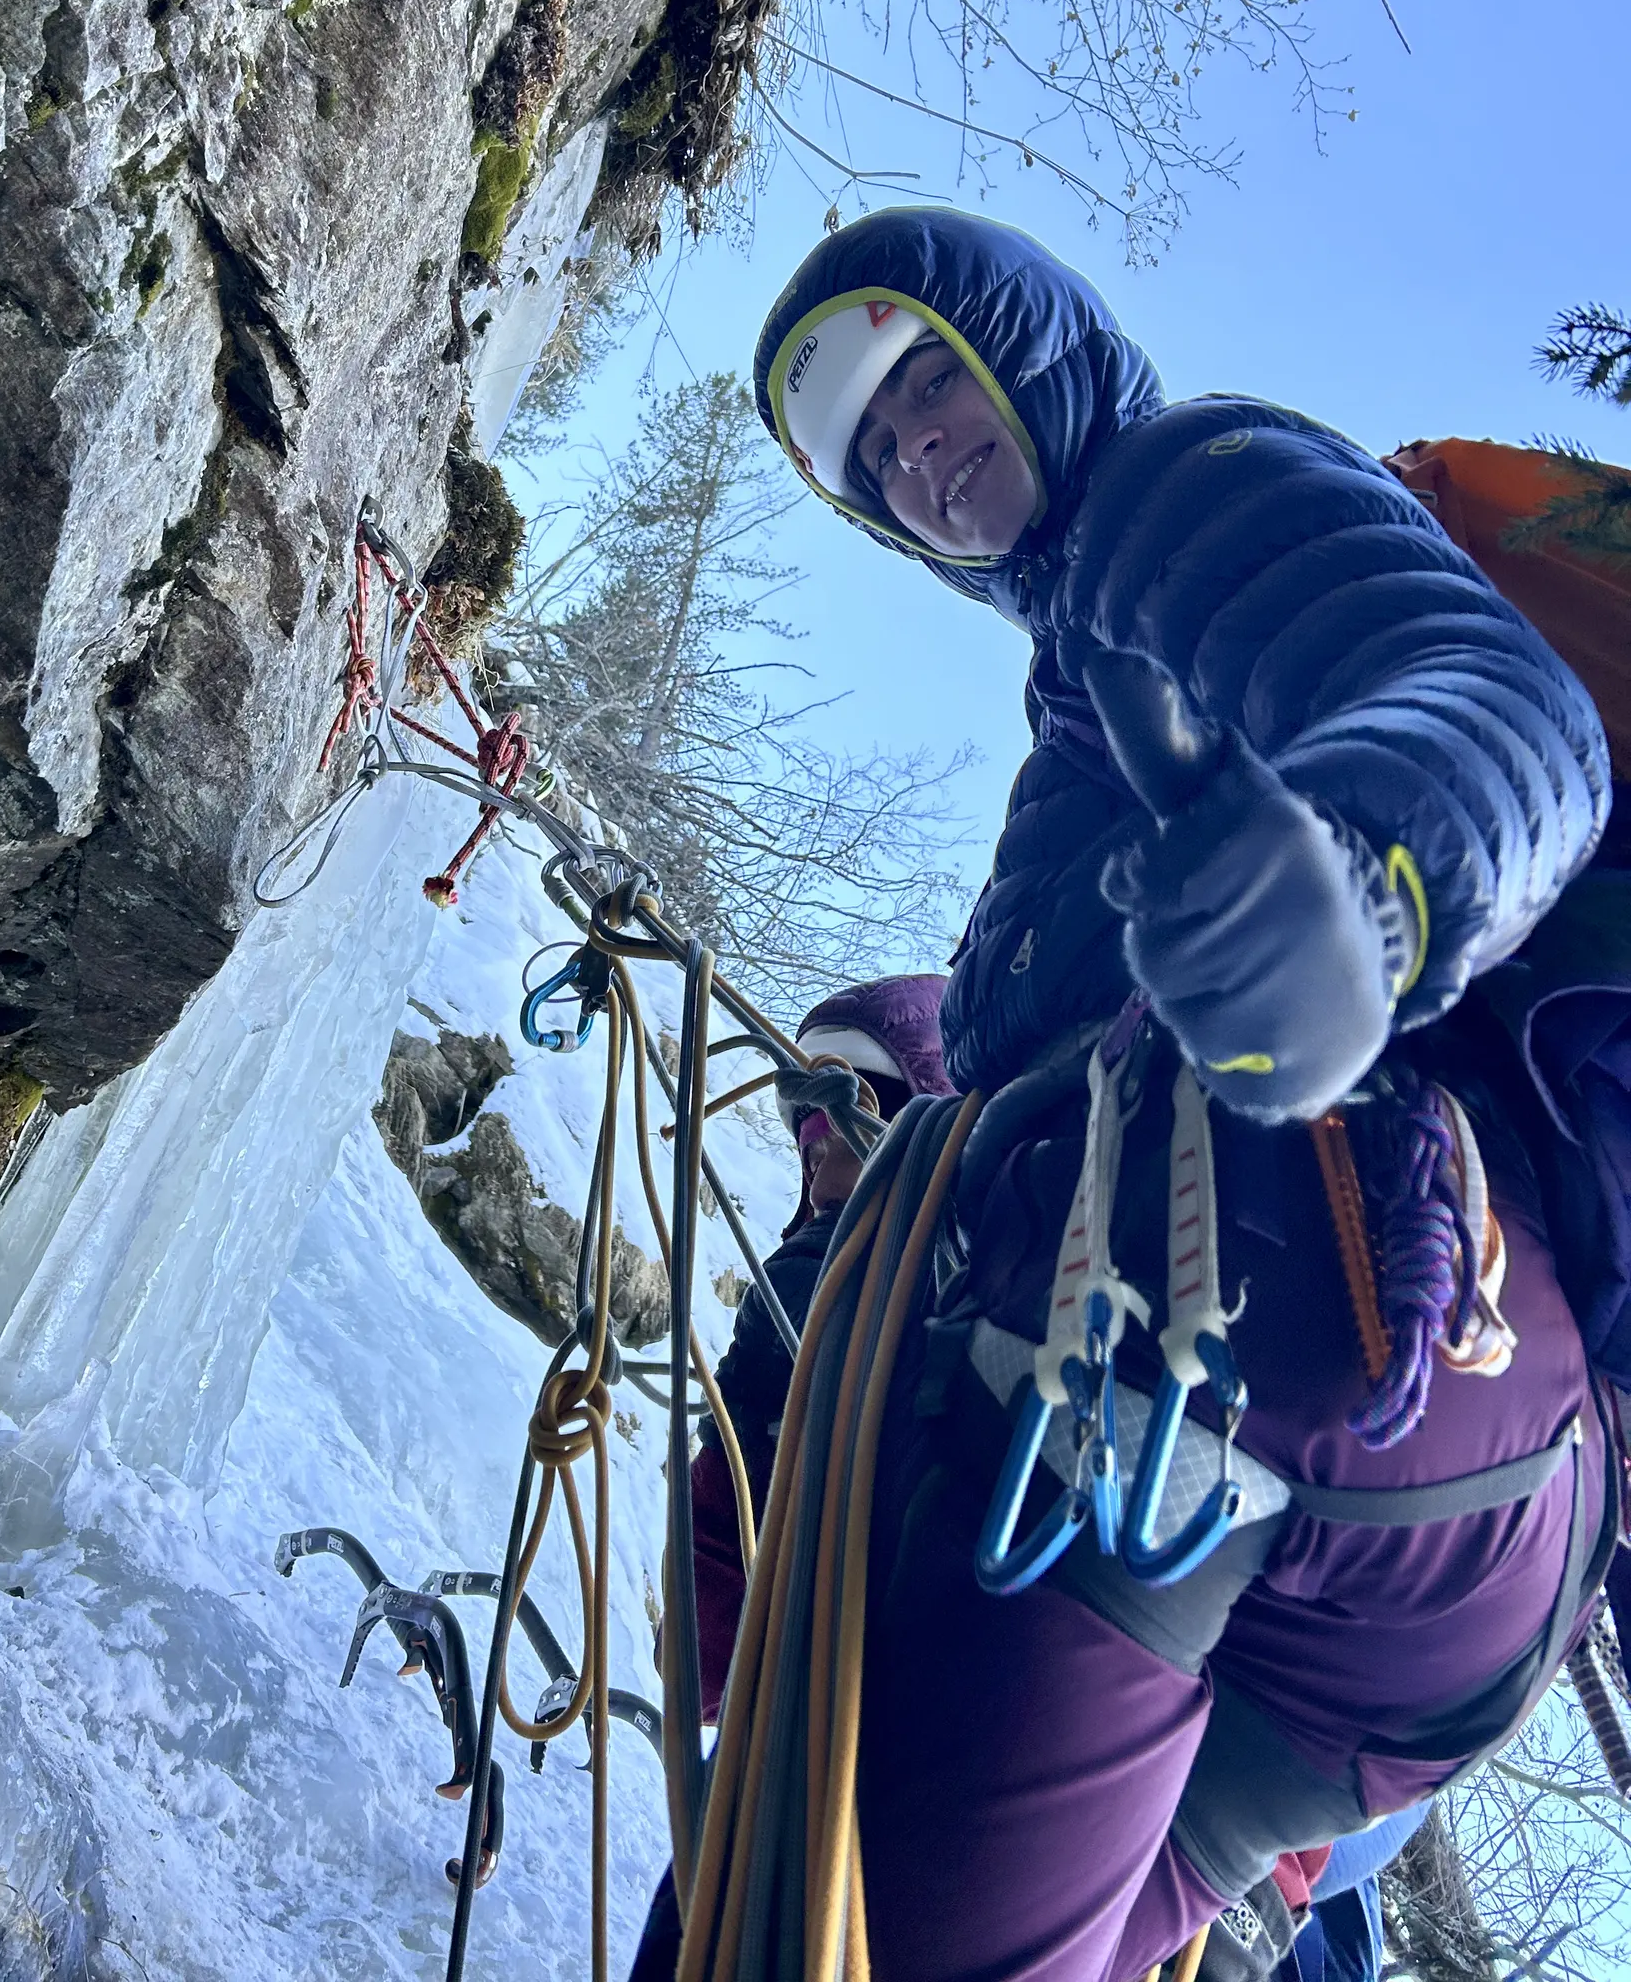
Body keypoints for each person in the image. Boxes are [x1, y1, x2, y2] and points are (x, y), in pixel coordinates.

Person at [724, 209, 1618, 1982]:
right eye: (874, 459)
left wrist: (1367, 891)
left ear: (1023, 338)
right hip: (1428, 1538)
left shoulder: (1176, 483)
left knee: (820, 1888)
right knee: (784, 1856)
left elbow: (1499, 706)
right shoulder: (1091, 685)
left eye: (920, 376)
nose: (914, 449)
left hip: (1296, 1328)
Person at [691, 974, 954, 1720]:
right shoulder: (795, 1301)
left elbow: (706, 1662)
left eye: (857, 1141)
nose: (824, 1178)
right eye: (813, 1151)